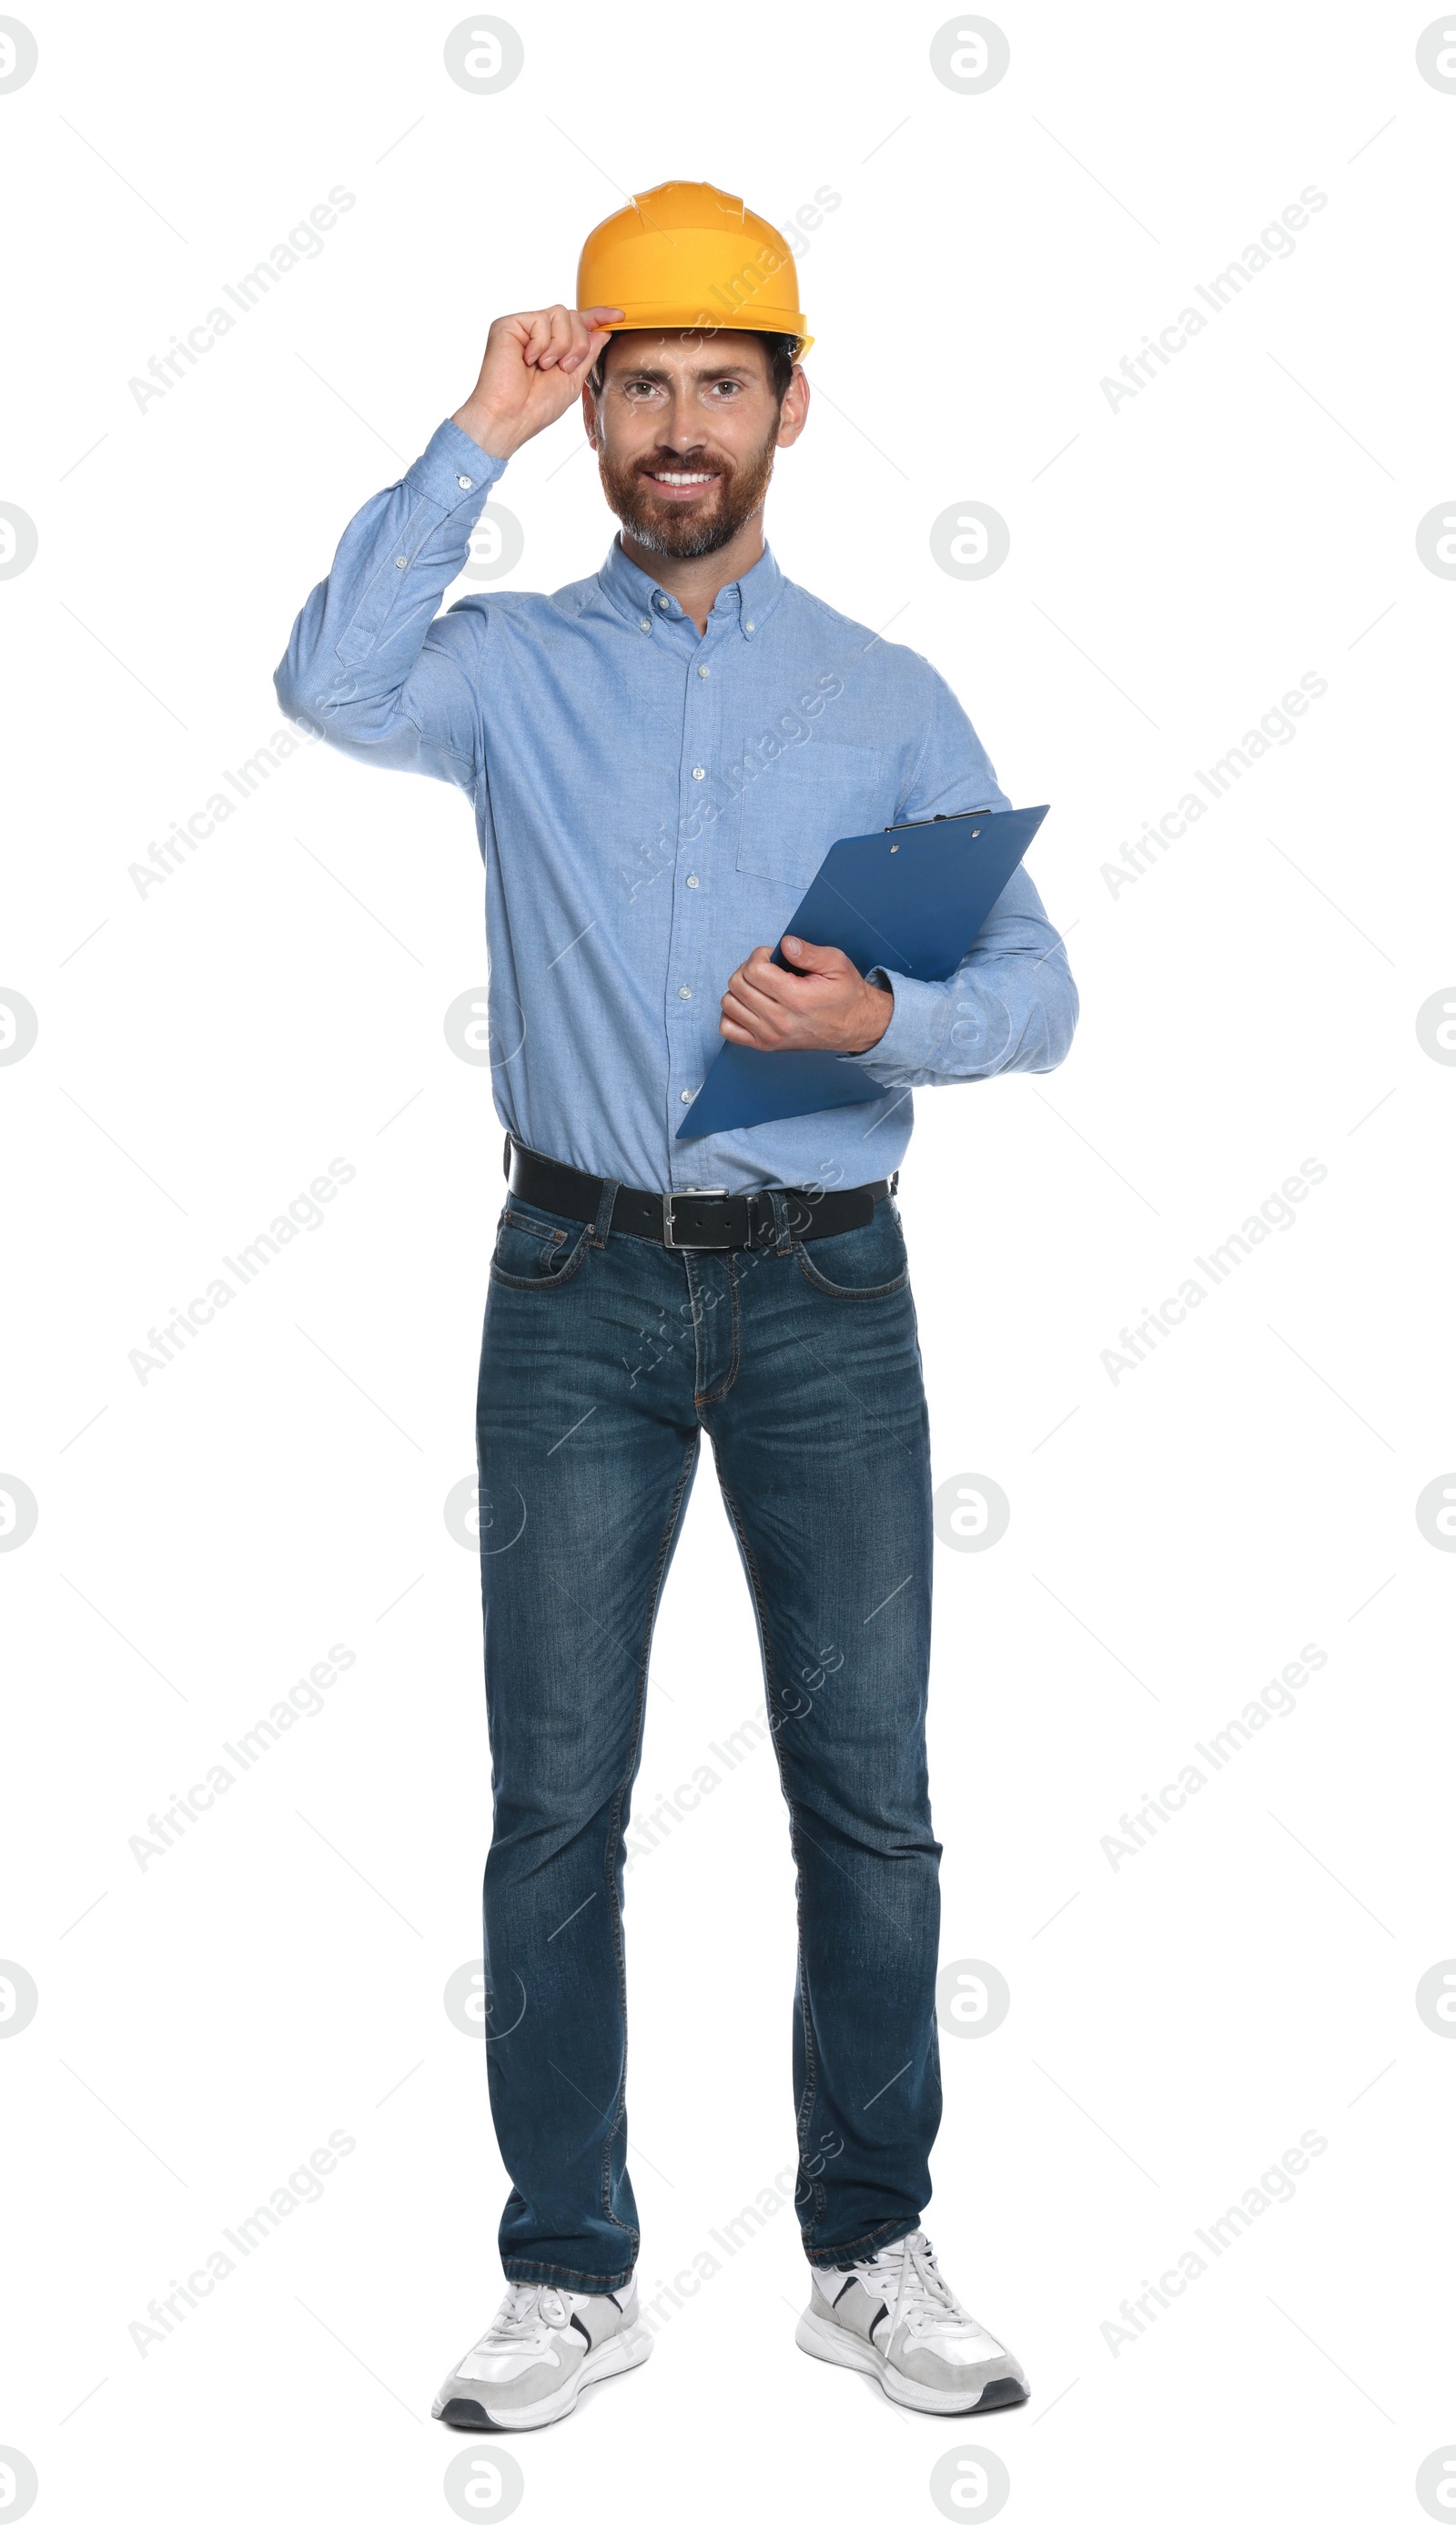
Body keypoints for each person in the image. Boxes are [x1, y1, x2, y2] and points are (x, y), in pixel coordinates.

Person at [276, 178, 1077, 2433]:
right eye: (638, 385)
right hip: (570, 1282)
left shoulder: (884, 692)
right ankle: (566, 2271)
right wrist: (469, 435)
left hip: (825, 1289)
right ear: (600, 414)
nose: (677, 424)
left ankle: (867, 2245)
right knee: (554, 1798)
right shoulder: (510, 668)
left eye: (719, 381)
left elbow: (1037, 992)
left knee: (870, 1795)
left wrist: (877, 1028)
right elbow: (324, 676)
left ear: (789, 408)